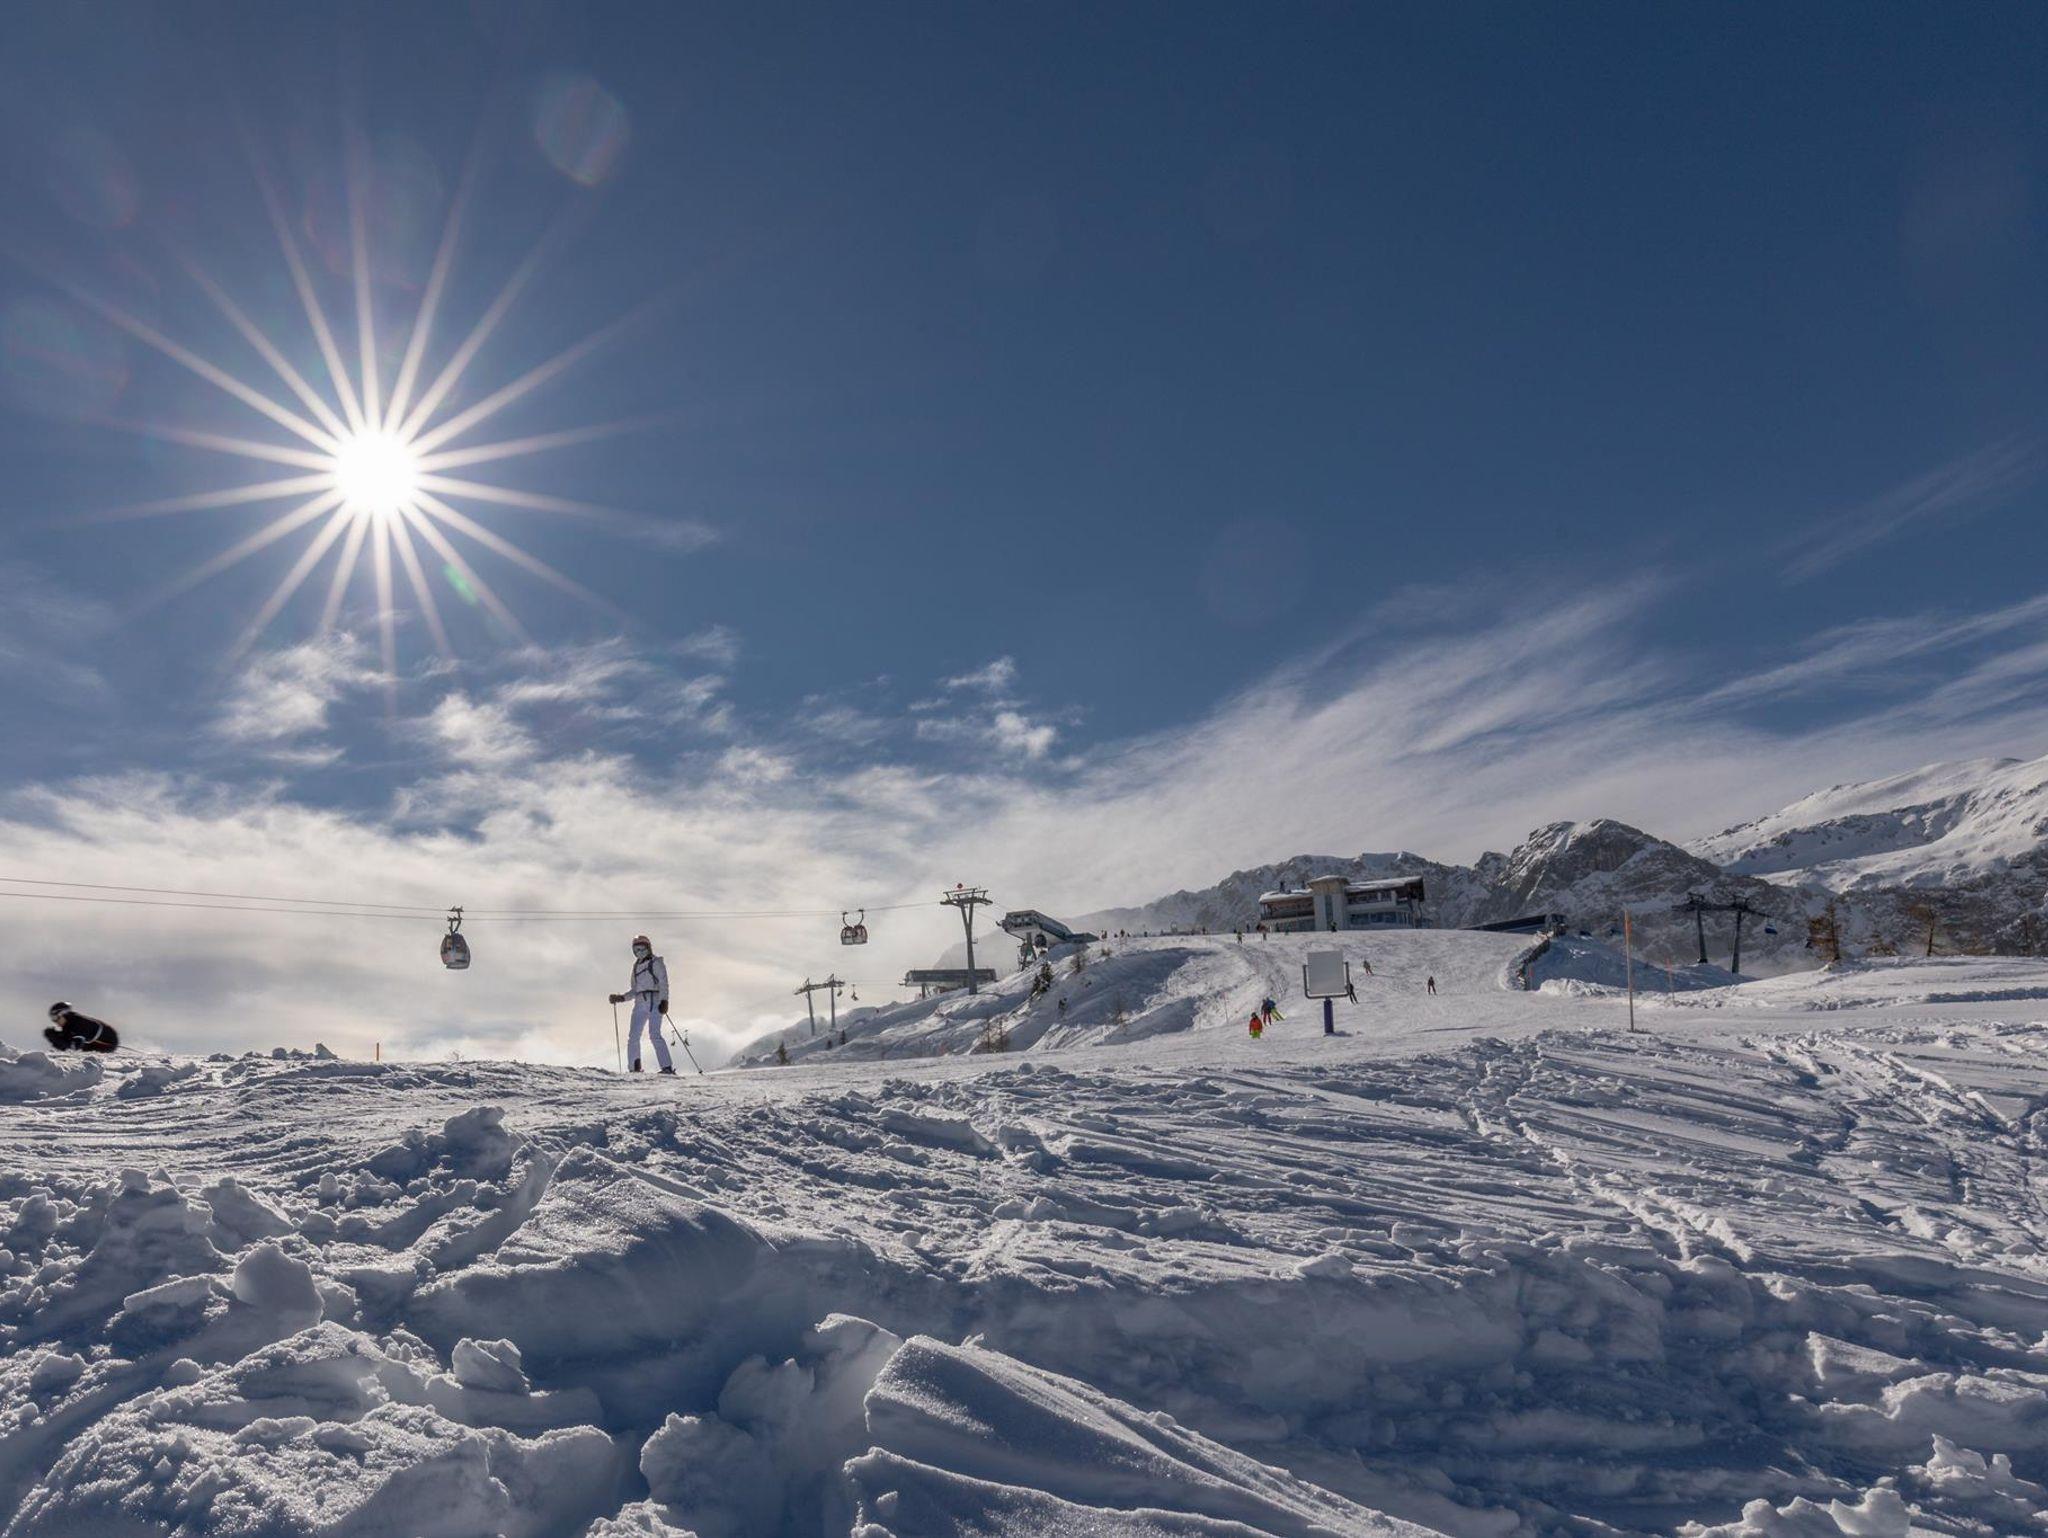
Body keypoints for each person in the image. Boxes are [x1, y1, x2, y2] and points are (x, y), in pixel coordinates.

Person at [608, 934, 675, 1074]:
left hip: (655, 1000)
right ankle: (634, 1067)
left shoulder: (656, 963)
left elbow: (663, 983)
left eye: (642, 948)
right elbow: (635, 990)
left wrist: (664, 1000)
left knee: (654, 1034)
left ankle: (667, 1067)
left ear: (648, 948)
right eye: (636, 950)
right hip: (640, 1002)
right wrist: (621, 998)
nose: (639, 952)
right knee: (633, 1036)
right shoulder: (636, 967)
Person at [44, 1002, 118, 1053]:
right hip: (100, 1041)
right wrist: (53, 1037)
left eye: (55, 1018)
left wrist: (54, 1037)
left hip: (108, 1044)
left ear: (64, 1014)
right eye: (52, 1019)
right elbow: (62, 1046)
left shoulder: (78, 1024)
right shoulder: (69, 1024)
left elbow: (74, 1047)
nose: (55, 1021)